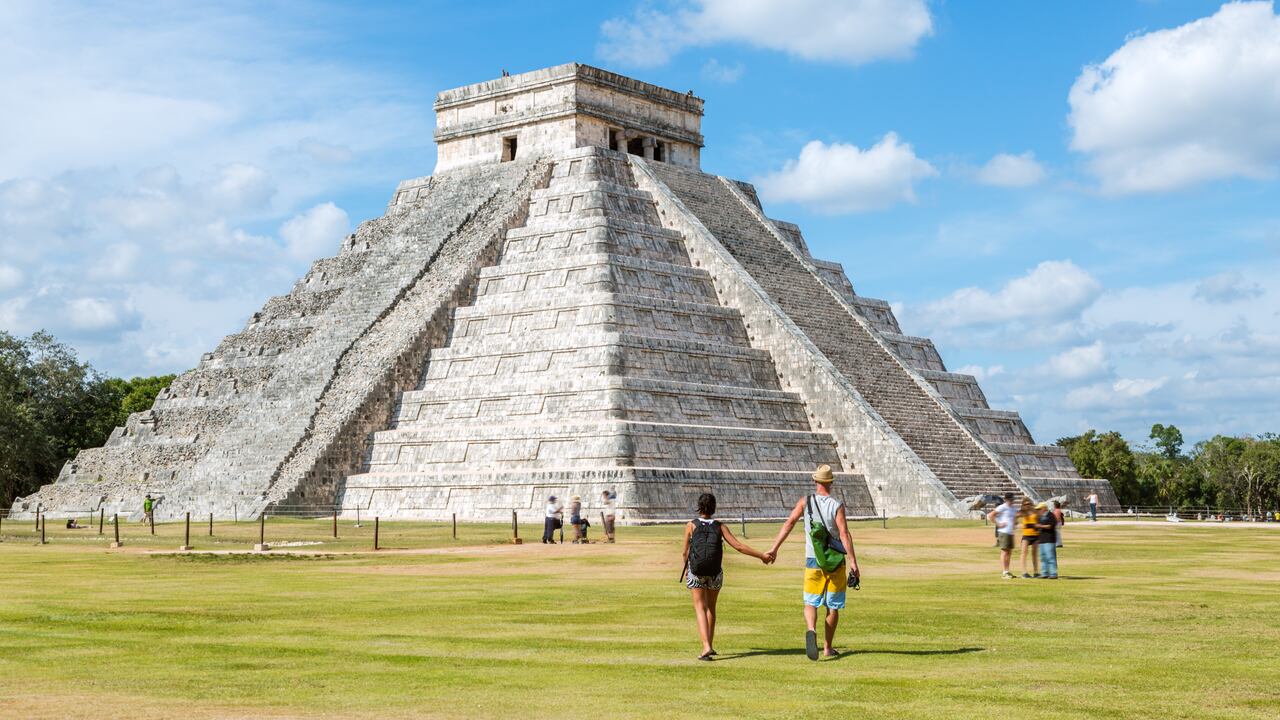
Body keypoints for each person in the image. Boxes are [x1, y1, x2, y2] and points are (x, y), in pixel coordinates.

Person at [765, 464, 861, 661]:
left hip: (813, 559)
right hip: (835, 561)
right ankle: (827, 647)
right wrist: (853, 561)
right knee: (832, 606)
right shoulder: (837, 505)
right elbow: (844, 534)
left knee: (811, 602)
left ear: (815, 481)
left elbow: (789, 523)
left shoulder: (805, 502)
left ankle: (811, 629)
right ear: (831, 483)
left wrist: (774, 548)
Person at [681, 492, 770, 661]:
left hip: (696, 571)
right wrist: (761, 556)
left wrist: (687, 569)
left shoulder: (691, 525)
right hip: (715, 573)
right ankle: (710, 645)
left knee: (700, 607)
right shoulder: (720, 526)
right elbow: (738, 546)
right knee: (711, 608)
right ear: (714, 508)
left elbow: (685, 552)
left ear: (699, 507)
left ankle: (706, 646)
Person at [986, 492, 1018, 579]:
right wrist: (998, 524)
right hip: (1004, 532)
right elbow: (991, 515)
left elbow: (1015, 518)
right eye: (1010, 499)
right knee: (1004, 551)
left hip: (1010, 532)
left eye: (1012, 499)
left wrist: (1015, 523)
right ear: (1006, 499)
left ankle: (1007, 570)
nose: (1011, 501)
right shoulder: (1002, 507)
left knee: (1009, 552)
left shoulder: (1013, 508)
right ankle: (1004, 571)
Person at [1036, 502, 1060, 579]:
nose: (1038, 510)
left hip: (1049, 539)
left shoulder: (1051, 515)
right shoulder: (1039, 517)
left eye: (1039, 509)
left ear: (1044, 508)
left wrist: (1041, 526)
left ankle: (1053, 573)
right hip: (1042, 540)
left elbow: (1051, 525)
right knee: (1043, 557)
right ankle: (1044, 573)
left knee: (1050, 557)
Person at [1017, 498, 1040, 578]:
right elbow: (1014, 516)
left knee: (1034, 554)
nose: (1028, 505)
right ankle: (1024, 572)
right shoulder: (1022, 512)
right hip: (1026, 535)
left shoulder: (1035, 511)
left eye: (1029, 504)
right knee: (1024, 553)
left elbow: (1039, 520)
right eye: (1026, 504)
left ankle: (1036, 572)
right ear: (1023, 505)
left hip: (1035, 535)